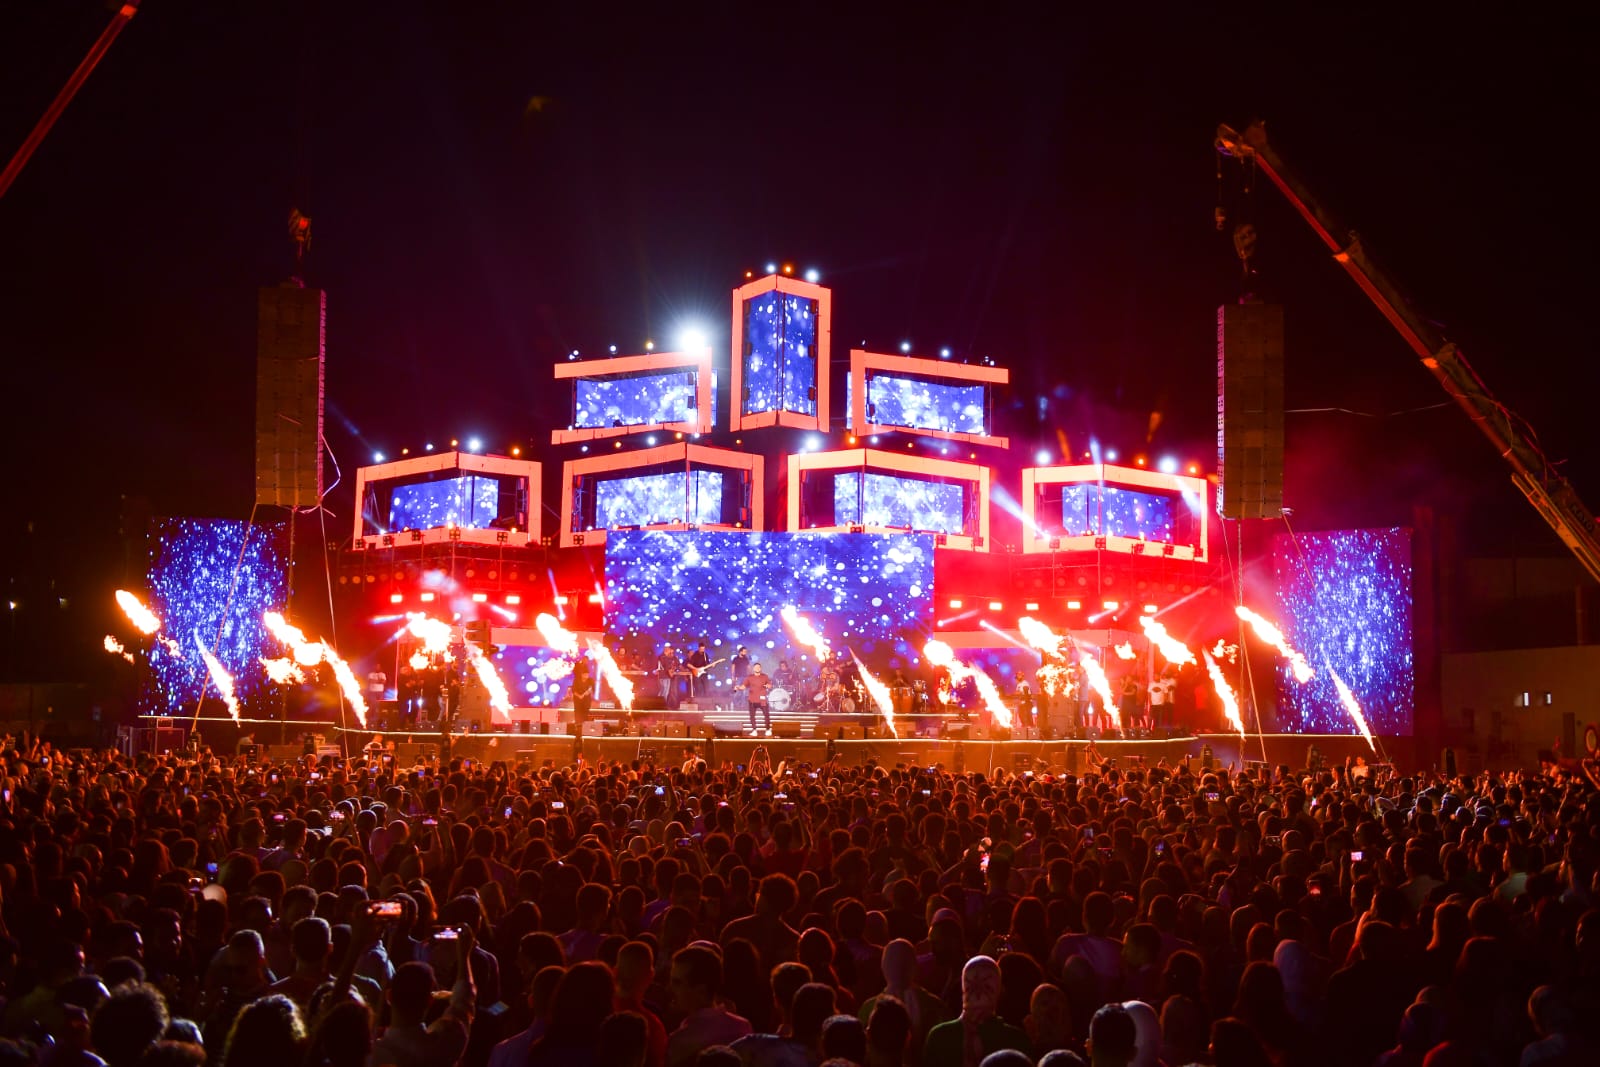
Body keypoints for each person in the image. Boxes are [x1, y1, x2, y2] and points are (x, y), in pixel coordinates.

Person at [921, 957, 1030, 1067]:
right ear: (1001, 990)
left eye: (986, 986)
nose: (978, 991)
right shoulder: (1016, 1040)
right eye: (972, 985)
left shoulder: (940, 1036)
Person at [666, 946, 751, 1067]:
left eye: (677, 982)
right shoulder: (743, 1027)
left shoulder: (681, 1041)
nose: (669, 988)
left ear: (701, 991)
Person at [739, 662, 774, 736]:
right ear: (753, 669)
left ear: (760, 668)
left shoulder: (765, 676)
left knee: (766, 715)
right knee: (752, 716)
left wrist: (768, 686)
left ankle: (768, 729)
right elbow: (743, 686)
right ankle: (754, 730)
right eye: (756, 667)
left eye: (759, 667)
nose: (757, 668)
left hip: (762, 700)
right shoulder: (749, 677)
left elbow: (770, 685)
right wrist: (738, 687)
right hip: (752, 699)